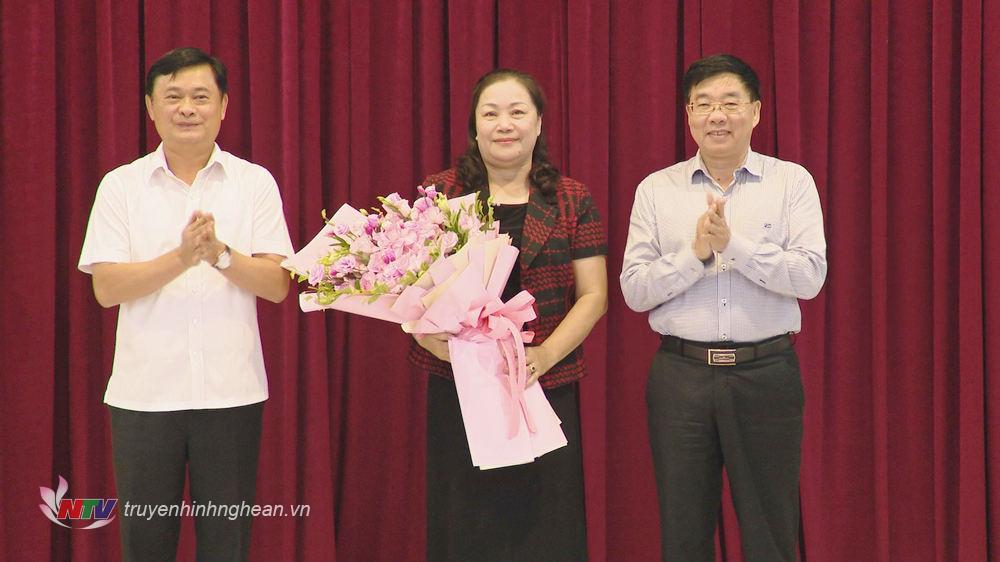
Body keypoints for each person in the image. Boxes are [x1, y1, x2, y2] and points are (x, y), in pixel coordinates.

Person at [78, 47, 293, 562]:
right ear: (150, 108)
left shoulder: (254, 182)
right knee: (146, 546)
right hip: (144, 398)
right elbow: (106, 288)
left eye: (201, 96)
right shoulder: (121, 186)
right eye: (172, 97)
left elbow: (277, 283)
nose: (187, 109)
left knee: (227, 546)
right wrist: (181, 257)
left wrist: (218, 254)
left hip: (232, 394)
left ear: (224, 106)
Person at [620, 54, 827, 562]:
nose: (717, 115)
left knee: (770, 529)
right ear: (688, 115)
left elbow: (809, 277)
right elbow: (634, 289)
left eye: (730, 103)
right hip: (681, 376)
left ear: (755, 112)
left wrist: (733, 247)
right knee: (684, 531)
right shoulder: (656, 189)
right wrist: (695, 255)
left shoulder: (791, 183)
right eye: (703, 104)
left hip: (767, 374)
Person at [408, 68, 608, 561]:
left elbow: (595, 295)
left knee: (545, 524)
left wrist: (543, 357)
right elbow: (409, 288)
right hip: (459, 384)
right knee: (466, 523)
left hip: (544, 384)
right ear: (474, 126)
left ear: (538, 124)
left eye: (517, 112)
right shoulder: (442, 194)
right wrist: (423, 334)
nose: (504, 124)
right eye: (490, 113)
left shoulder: (570, 198)